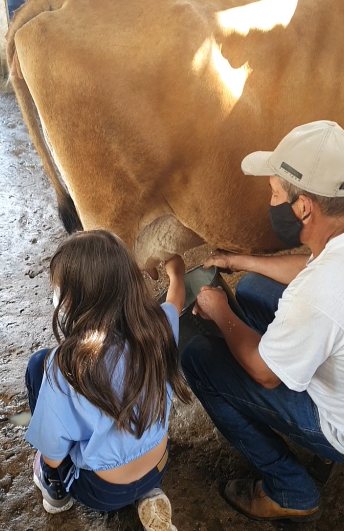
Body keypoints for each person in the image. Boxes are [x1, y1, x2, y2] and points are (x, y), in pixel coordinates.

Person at [181, 120, 344, 523]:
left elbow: (265, 373)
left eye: (275, 194)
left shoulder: (320, 291)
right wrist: (239, 261)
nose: (271, 203)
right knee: (254, 287)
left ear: (304, 206)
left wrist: (220, 312)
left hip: (337, 424)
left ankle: (290, 489)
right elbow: (310, 266)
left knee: (199, 359)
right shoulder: (334, 243)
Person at [25, 229, 191, 531]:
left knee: (38, 364)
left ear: (73, 299)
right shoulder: (161, 325)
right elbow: (175, 299)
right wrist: (176, 273)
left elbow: (52, 456)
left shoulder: (64, 367)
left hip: (102, 492)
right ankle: (149, 493)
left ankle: (57, 494)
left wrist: (49, 466)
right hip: (159, 465)